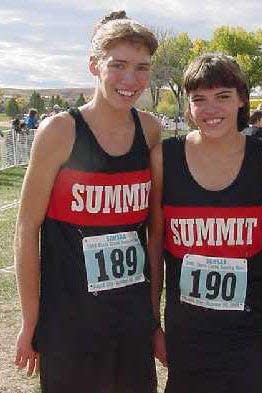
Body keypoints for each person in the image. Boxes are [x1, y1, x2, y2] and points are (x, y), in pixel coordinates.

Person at [14, 10, 160, 393]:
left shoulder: (150, 130)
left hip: (130, 316)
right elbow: (27, 228)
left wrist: (153, 315)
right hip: (70, 318)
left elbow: (155, 230)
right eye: (118, 66)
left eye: (142, 68)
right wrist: (31, 320)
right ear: (94, 65)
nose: (130, 80)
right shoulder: (60, 131)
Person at [149, 53, 262, 393]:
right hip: (187, 329)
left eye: (222, 97)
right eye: (199, 99)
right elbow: (154, 247)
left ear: (241, 99)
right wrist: (153, 322)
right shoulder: (164, 159)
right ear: (188, 105)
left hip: (248, 329)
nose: (211, 110)